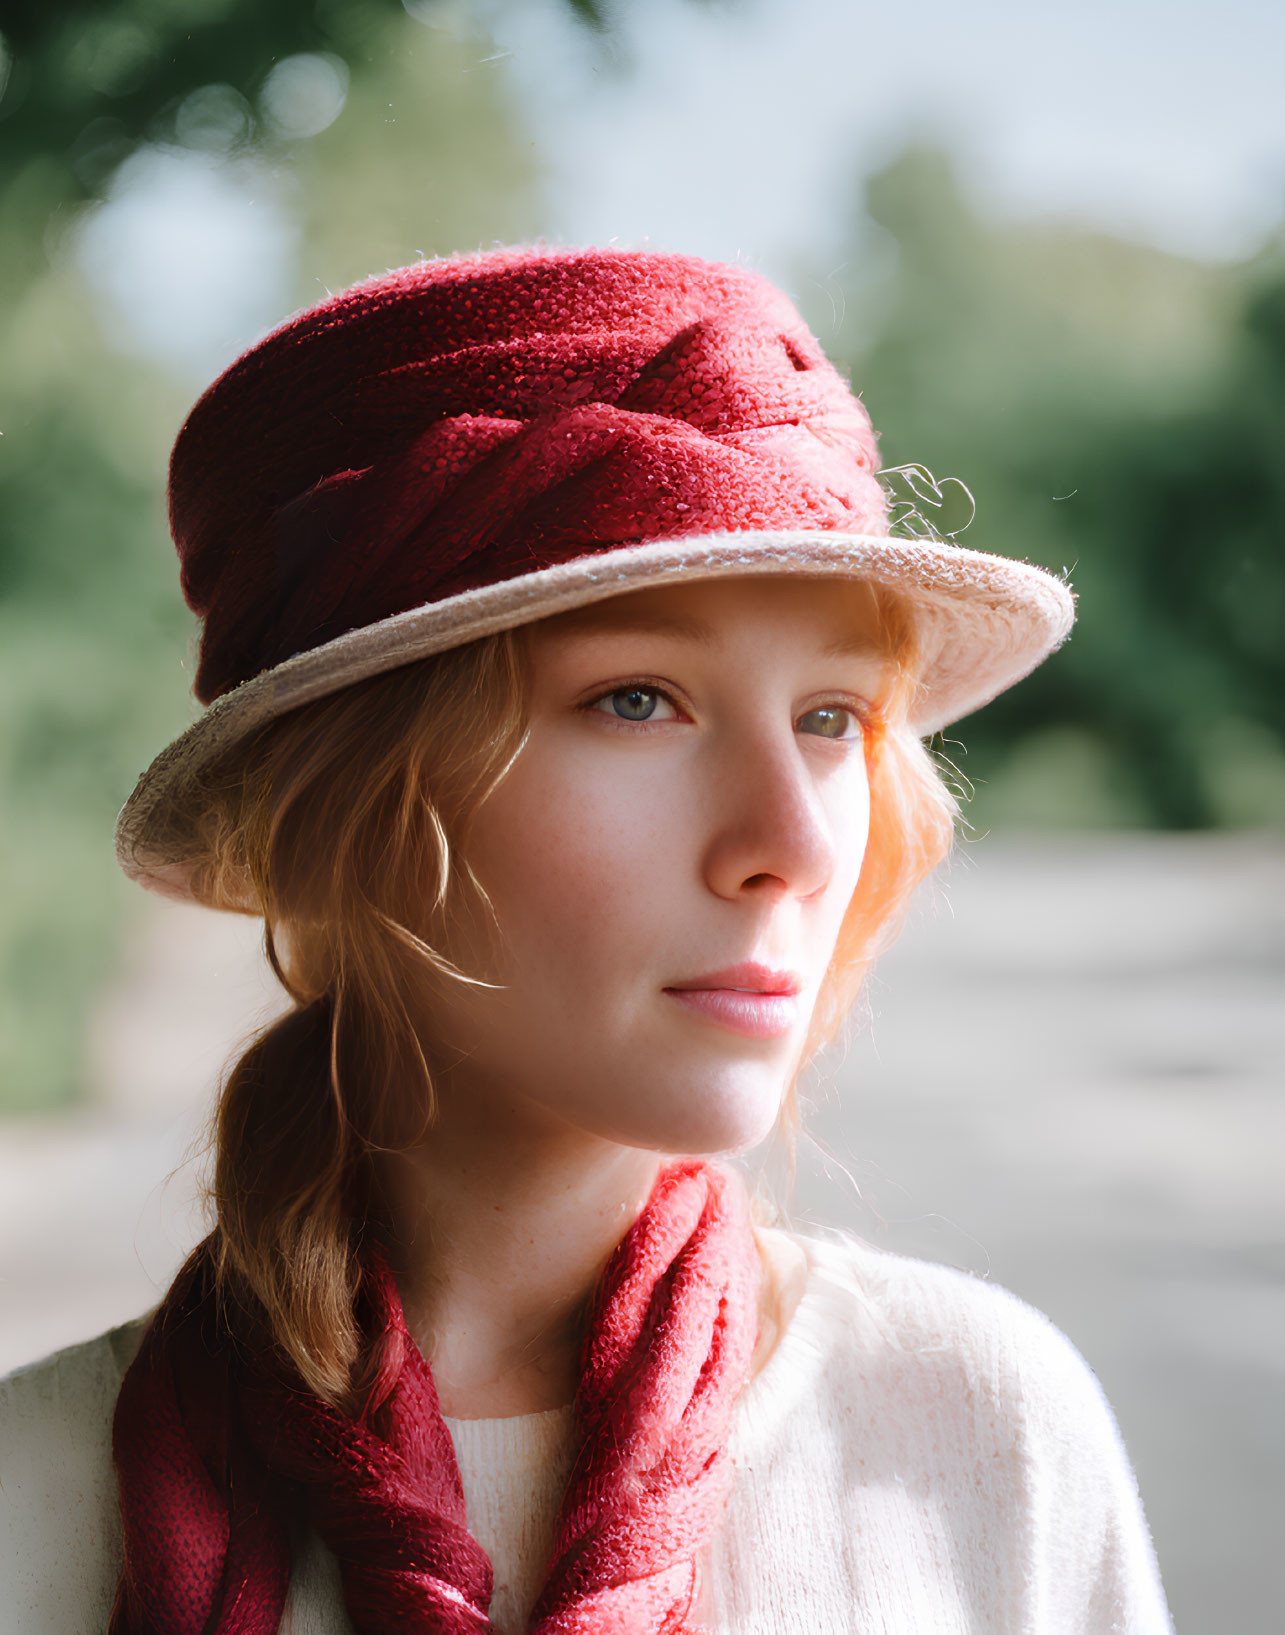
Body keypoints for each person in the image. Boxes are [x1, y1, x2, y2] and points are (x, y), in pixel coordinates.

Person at [0, 246, 1174, 1633]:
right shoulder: (37, 1494)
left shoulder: (973, 1434)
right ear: (337, 814)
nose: (791, 845)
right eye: (636, 701)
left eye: (829, 718)